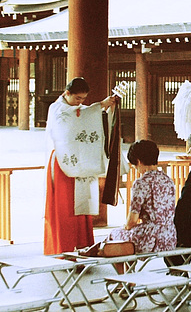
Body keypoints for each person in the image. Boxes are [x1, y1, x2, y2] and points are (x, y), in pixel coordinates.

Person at [44, 77, 116, 255]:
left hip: (80, 161)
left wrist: (101, 106)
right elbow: (71, 125)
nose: (81, 102)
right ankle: (63, 246)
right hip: (63, 161)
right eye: (77, 98)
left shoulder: (78, 109)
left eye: (84, 99)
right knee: (64, 206)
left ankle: (82, 244)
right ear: (67, 93)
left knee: (81, 204)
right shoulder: (57, 109)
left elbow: (85, 115)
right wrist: (100, 105)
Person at [107, 140, 177, 253]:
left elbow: (132, 221)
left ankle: (126, 271)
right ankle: (129, 270)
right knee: (124, 237)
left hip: (149, 238)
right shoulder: (168, 181)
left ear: (138, 162)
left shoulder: (141, 183)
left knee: (114, 236)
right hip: (169, 236)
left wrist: (125, 227)